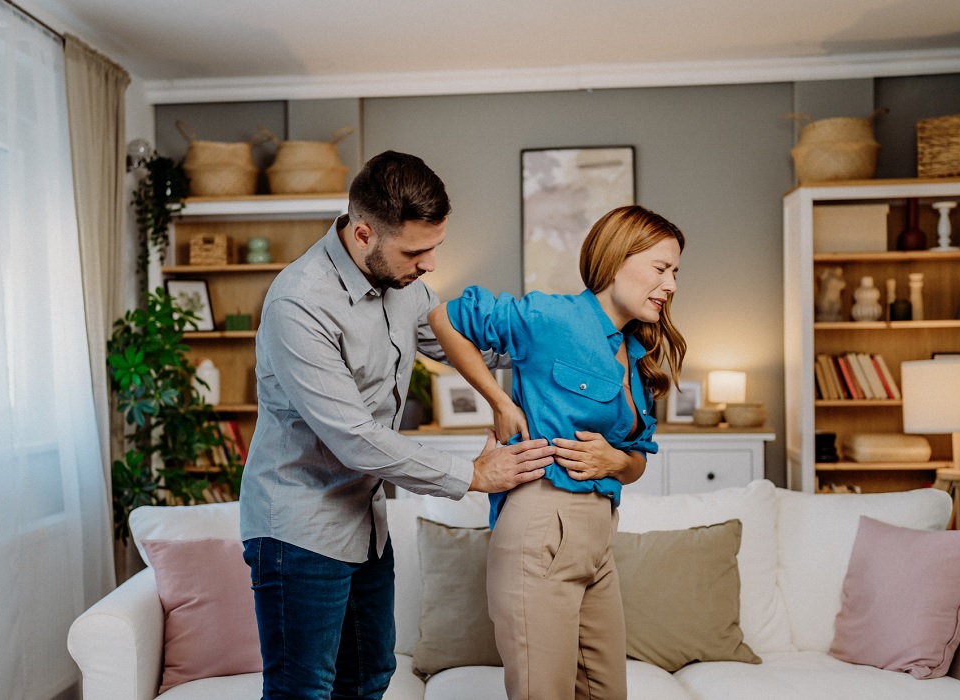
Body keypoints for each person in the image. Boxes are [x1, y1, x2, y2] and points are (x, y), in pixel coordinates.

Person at [238, 150, 557, 700]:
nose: (430, 263)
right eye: (417, 250)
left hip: (365, 524)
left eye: (435, 246)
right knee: (302, 691)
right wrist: (474, 475)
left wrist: (557, 343)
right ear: (363, 234)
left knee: (368, 680)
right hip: (299, 529)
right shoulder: (299, 302)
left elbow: (457, 344)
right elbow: (354, 438)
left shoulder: (404, 282)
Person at [428, 204, 687, 700]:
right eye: (660, 268)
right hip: (542, 527)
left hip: (596, 542)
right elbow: (445, 318)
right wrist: (499, 400)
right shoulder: (551, 318)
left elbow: (636, 456)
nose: (671, 284)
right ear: (616, 261)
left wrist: (618, 462)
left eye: (675, 271)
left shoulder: (638, 354)